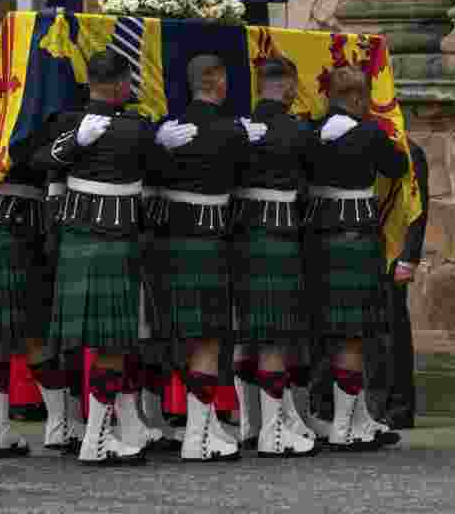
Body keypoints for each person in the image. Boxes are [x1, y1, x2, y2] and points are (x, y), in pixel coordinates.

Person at [16, 48, 196, 465]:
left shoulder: (68, 122)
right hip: (114, 242)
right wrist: (162, 144)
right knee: (112, 343)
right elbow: (162, 172)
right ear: (118, 84)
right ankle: (97, 438)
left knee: (98, 344)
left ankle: (107, 430)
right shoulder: (134, 129)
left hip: (77, 241)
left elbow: (38, 159)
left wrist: (72, 143)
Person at [146, 53, 259, 461]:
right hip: (210, 239)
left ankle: (205, 427)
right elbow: (248, 181)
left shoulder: (167, 131)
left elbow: (148, 174)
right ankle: (197, 436)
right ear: (221, 83)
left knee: (181, 336)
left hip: (168, 241)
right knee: (209, 338)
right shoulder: (232, 132)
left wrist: (157, 146)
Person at [306, 65, 409, 450]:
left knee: (339, 333)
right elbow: (397, 167)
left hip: (320, 237)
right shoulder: (368, 132)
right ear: (358, 98)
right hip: (355, 238)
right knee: (353, 335)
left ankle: (359, 416)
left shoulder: (311, 133)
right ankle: (344, 427)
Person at [228, 57, 319, 458]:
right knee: (275, 336)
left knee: (247, 333)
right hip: (280, 236)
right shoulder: (297, 131)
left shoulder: (238, 128)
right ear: (288, 86)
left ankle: (252, 423)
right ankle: (273, 430)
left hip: (239, 236)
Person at [366, 132, 428, 430]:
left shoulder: (410, 151)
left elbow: (418, 208)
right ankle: (375, 404)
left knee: (393, 330)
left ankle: (399, 406)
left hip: (394, 249)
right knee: (371, 333)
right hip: (367, 247)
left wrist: (410, 256)